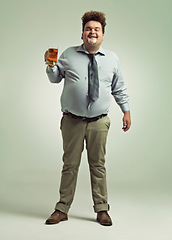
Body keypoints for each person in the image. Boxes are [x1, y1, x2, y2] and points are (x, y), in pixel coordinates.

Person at [44, 11, 131, 226]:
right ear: (82, 34)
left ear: (102, 35)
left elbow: (118, 87)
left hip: (99, 121)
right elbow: (55, 79)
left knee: (98, 165)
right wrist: (51, 65)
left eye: (97, 29)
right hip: (72, 120)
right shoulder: (68, 54)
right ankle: (62, 209)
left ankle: (102, 209)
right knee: (70, 165)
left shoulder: (112, 58)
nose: (92, 32)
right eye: (88, 29)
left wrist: (126, 110)